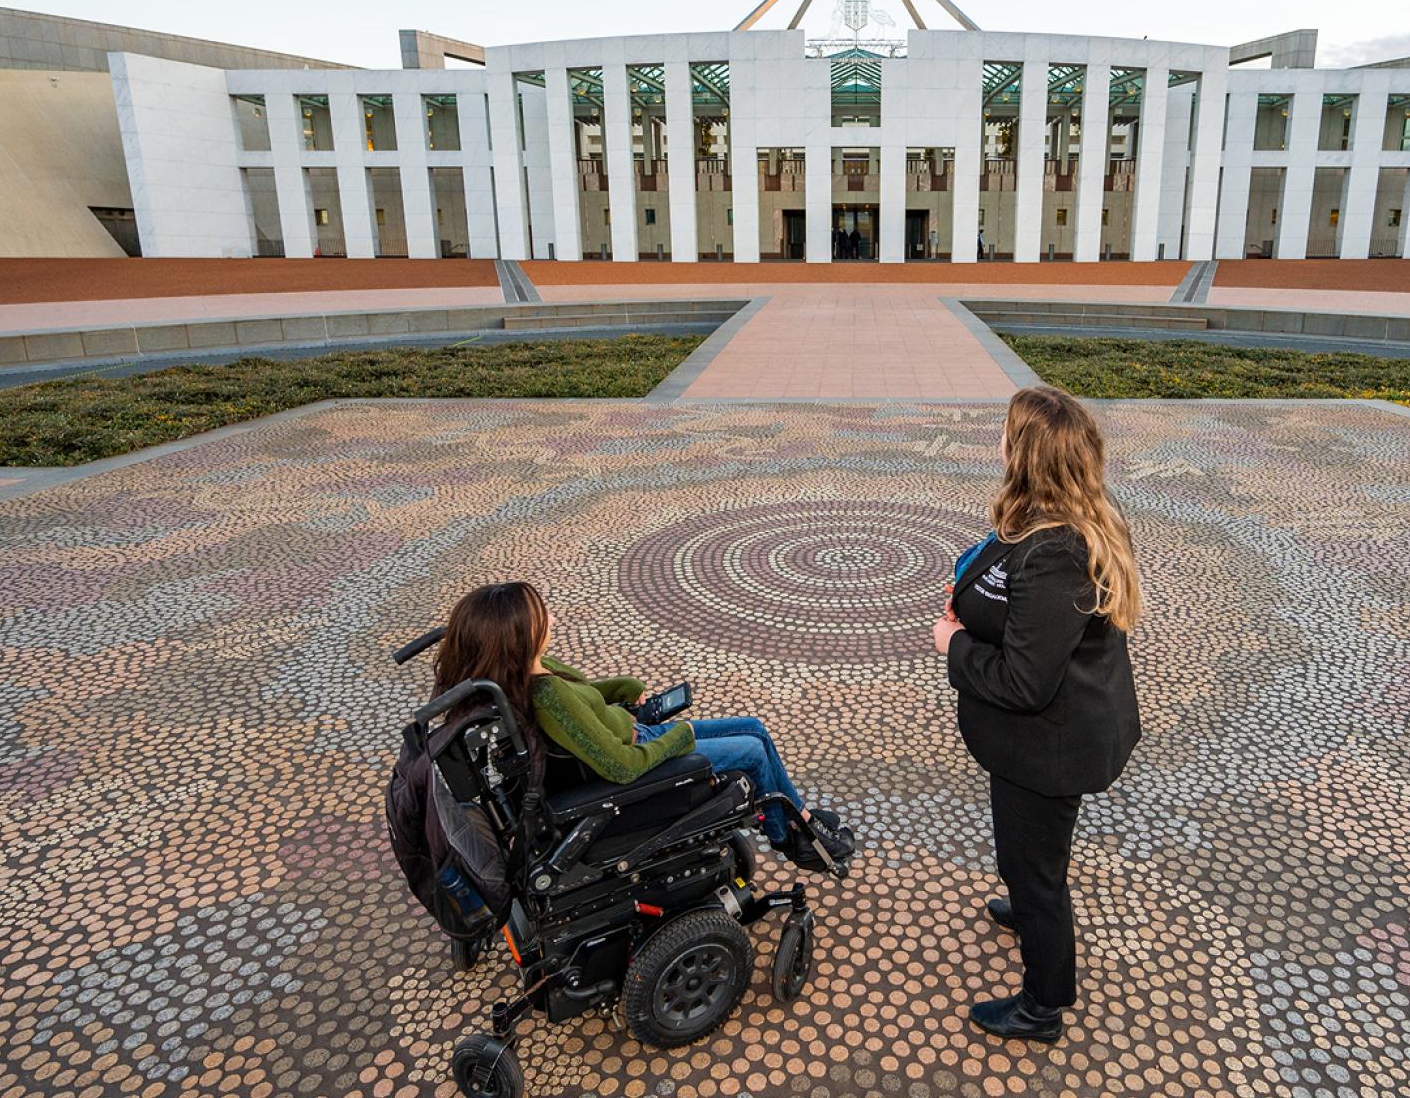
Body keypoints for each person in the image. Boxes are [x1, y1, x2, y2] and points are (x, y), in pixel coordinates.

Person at [932, 385, 1143, 1043]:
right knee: (1030, 853)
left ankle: (1042, 1003)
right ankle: (1027, 906)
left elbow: (1025, 681)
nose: (997, 440)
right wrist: (971, 602)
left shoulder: (1057, 550)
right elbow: (1018, 604)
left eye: (1006, 433)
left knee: (1037, 871)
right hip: (1042, 736)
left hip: (1050, 744)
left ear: (1027, 455)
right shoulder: (1048, 516)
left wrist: (954, 644)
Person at [435, 581, 855, 871]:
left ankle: (798, 816)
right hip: (642, 758)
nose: (547, 614)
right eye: (537, 613)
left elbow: (586, 696)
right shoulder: (550, 698)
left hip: (636, 734)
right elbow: (621, 767)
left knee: (755, 727)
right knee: (750, 750)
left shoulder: (533, 672)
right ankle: (790, 838)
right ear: (521, 635)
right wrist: (680, 737)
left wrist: (625, 687)